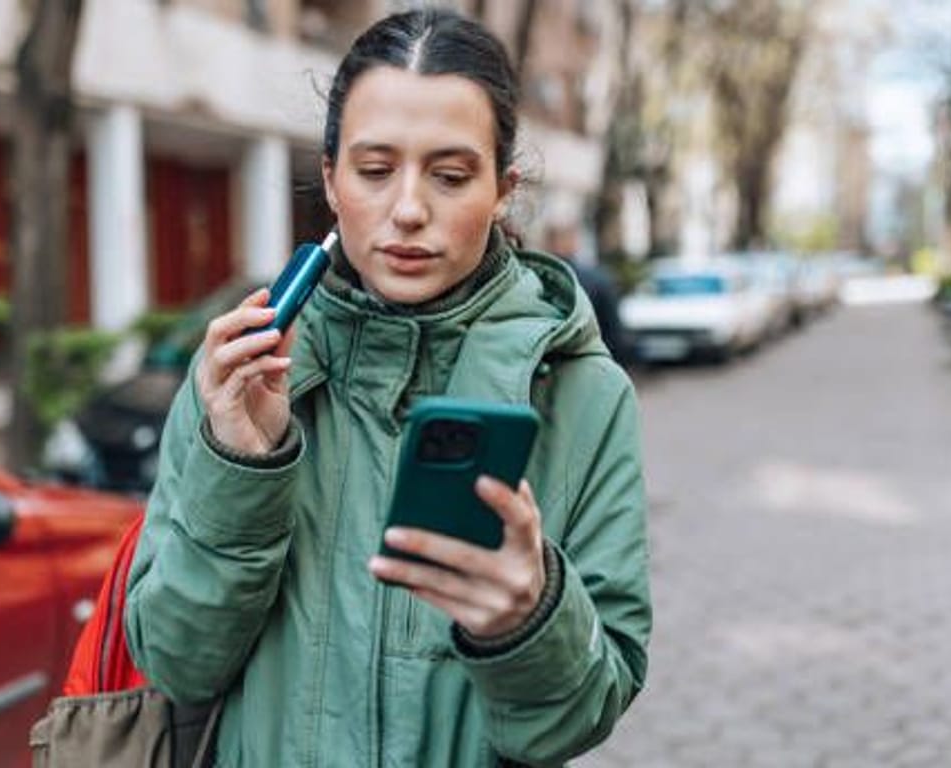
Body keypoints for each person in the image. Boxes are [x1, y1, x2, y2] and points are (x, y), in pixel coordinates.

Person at [124, 9, 651, 766]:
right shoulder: (242, 374)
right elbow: (176, 661)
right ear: (332, 181)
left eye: (450, 175)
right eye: (375, 171)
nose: (408, 209)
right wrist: (242, 465)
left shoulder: (586, 394)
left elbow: (580, 716)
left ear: (503, 189)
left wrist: (528, 619)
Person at [546, 224, 635, 366]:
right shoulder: (599, 279)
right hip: (593, 363)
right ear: (574, 243)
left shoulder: (537, 280)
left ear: (549, 243)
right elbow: (615, 334)